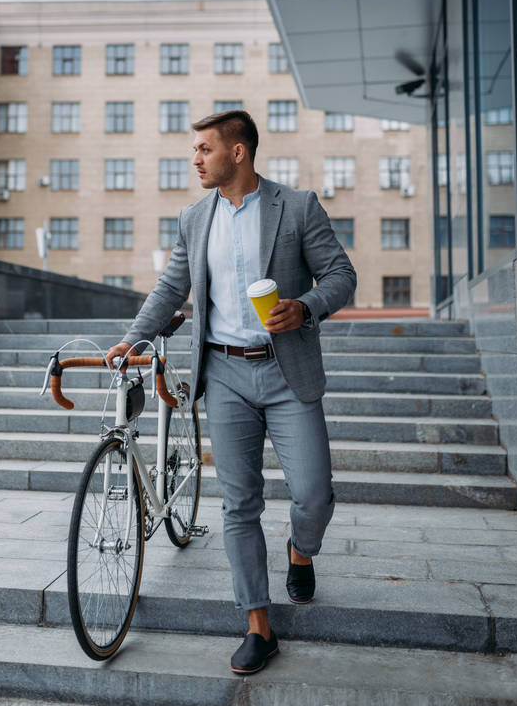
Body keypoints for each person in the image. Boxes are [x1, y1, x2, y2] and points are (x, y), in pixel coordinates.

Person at [106, 110, 356, 674]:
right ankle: (257, 625)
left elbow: (341, 275)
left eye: (203, 149)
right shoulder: (194, 217)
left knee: (314, 492)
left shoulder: (296, 207)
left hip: (287, 371)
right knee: (239, 505)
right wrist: (131, 338)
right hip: (224, 376)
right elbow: (173, 284)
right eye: (193, 150)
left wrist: (306, 306)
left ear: (237, 152)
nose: (195, 158)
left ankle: (300, 551)